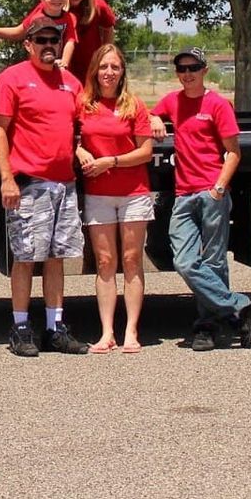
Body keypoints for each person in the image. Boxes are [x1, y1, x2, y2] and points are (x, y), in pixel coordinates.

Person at [0, 15, 90, 357]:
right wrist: (7, 178)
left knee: (57, 257)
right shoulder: (12, 80)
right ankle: (19, 327)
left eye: (53, 40)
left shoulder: (71, 83)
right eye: (41, 40)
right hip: (29, 184)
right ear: (28, 44)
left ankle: (54, 327)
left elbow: (86, 122)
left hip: (65, 184)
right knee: (26, 257)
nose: (49, 46)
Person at [152, 48, 251, 352]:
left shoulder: (218, 105)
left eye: (193, 68)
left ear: (204, 69)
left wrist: (219, 189)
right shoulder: (172, 101)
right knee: (184, 261)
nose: (187, 74)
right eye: (181, 68)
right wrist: (153, 118)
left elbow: (234, 152)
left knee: (213, 261)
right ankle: (239, 305)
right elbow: (145, 113)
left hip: (211, 191)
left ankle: (208, 327)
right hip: (184, 195)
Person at [74, 44, 165, 353]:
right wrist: (80, 150)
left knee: (130, 260)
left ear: (122, 71)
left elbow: (145, 151)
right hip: (98, 194)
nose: (109, 72)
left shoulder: (134, 105)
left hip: (133, 194)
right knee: (104, 262)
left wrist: (109, 162)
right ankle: (106, 332)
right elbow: (67, 135)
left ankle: (131, 331)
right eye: (103, 67)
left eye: (114, 67)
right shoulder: (83, 104)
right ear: (94, 71)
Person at [0, 0, 79, 75]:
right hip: (39, 66)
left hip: (58, 68)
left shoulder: (70, 18)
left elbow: (70, 42)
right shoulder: (37, 18)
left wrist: (64, 63)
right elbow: (18, 32)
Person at [60, 0, 118, 84]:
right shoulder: (55, 6)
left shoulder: (97, 5)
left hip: (91, 74)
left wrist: (105, 56)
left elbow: (109, 29)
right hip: (64, 73)